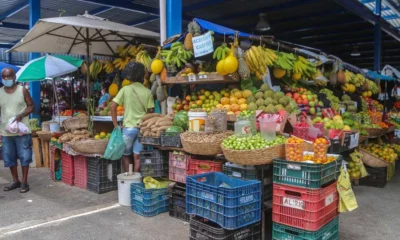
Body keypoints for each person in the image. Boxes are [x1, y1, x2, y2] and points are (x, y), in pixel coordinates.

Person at [111, 62, 154, 172]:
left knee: (126, 155)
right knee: (137, 157)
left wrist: (116, 125)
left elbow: (113, 106)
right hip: (142, 129)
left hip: (128, 129)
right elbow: (150, 113)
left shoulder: (125, 89)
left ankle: (129, 180)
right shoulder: (148, 92)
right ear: (142, 76)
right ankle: (135, 180)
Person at [0, 68, 34, 193]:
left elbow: (31, 105)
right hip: (6, 131)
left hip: (22, 130)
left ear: (14, 77)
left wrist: (21, 116)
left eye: (9, 76)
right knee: (9, 157)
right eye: (4, 77)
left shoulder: (22, 90)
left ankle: (24, 182)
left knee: (25, 156)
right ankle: (15, 180)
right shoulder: (0, 92)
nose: (7, 79)